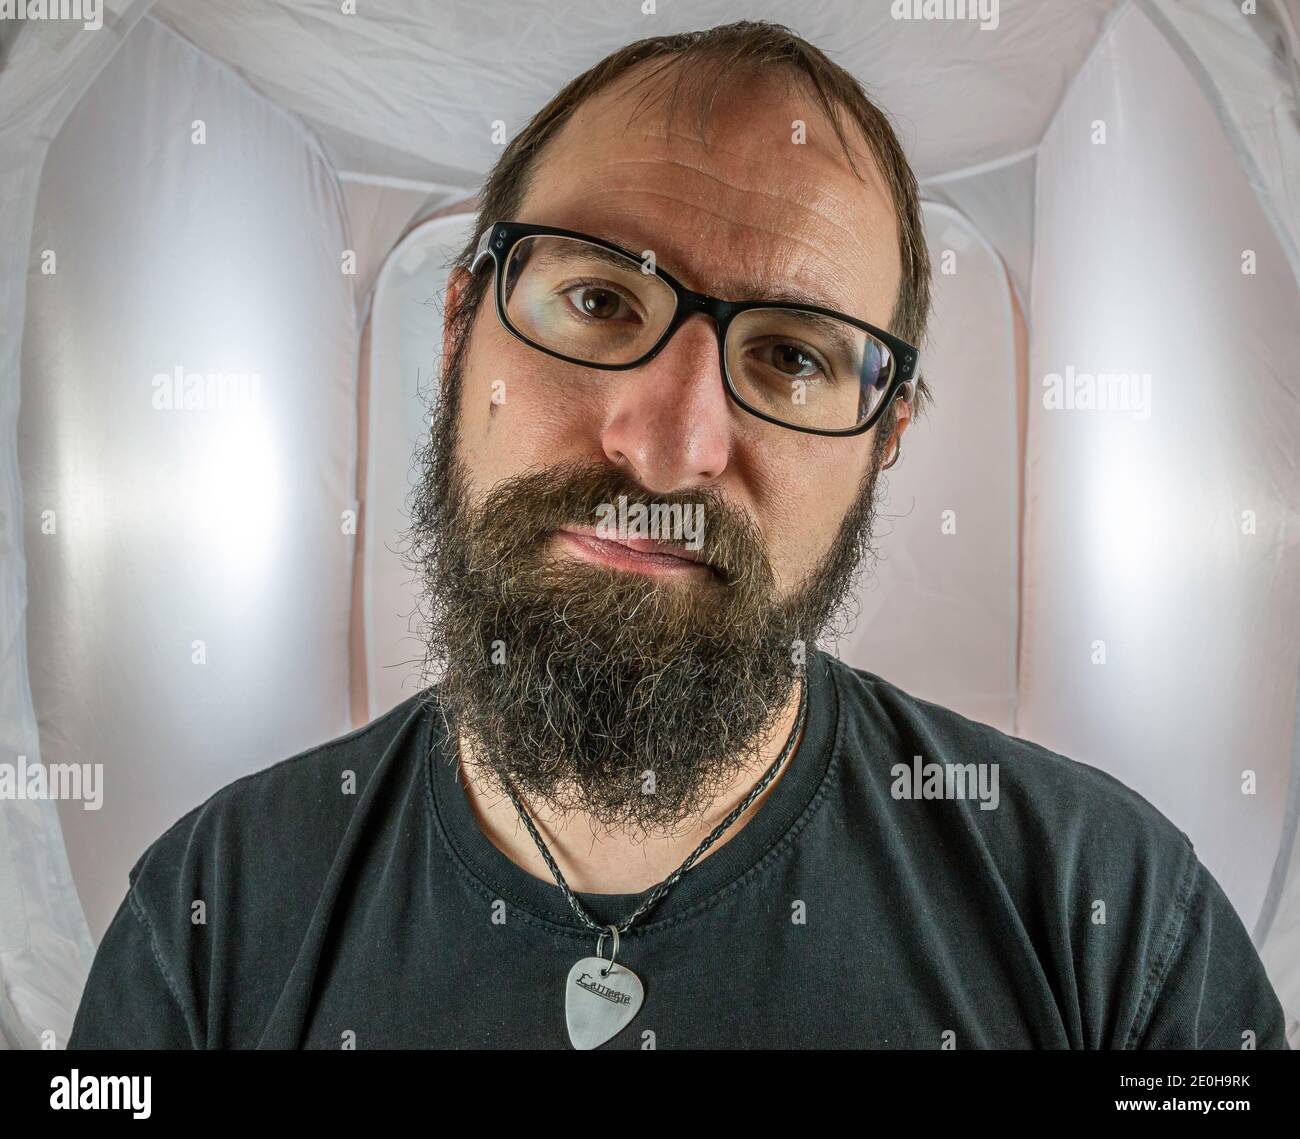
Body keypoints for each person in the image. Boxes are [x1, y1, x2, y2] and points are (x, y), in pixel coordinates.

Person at [69, 20, 1287, 1050]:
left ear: (888, 437)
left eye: (792, 354)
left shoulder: (1115, 919)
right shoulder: (209, 919)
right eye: (600, 300)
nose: (670, 445)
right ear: (457, 330)